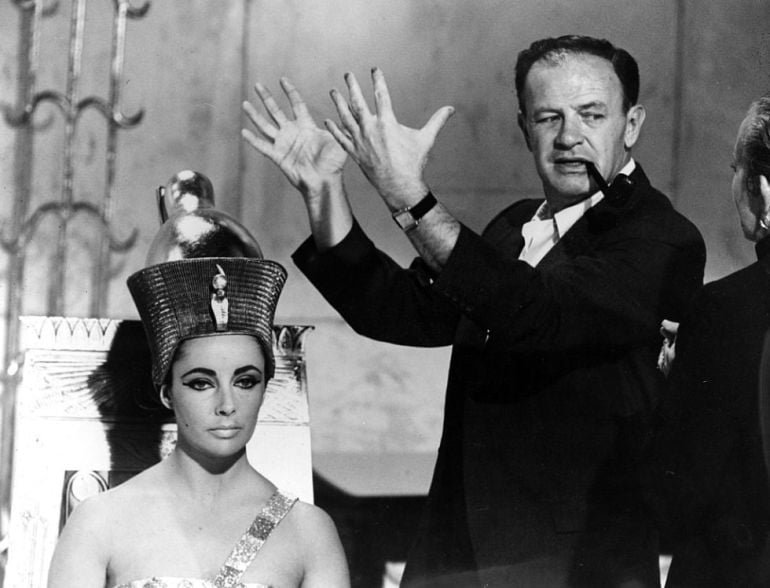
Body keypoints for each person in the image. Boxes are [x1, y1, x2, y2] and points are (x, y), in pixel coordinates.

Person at [243, 35, 705, 586]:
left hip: (574, 568)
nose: (568, 137)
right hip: (456, 549)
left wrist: (408, 197)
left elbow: (534, 312)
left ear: (631, 125)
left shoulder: (661, 237)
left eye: (591, 114)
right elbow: (401, 311)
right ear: (524, 129)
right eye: (548, 117)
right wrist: (324, 192)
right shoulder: (514, 225)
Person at [47, 257, 350, 587]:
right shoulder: (99, 521)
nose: (227, 405)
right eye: (201, 383)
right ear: (167, 393)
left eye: (245, 381)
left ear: (264, 389)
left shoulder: (308, 531)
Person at [649, 95, 770, 586]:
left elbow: (677, 496)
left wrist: (685, 377)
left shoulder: (724, 309)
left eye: (736, 169)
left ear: (762, 189)